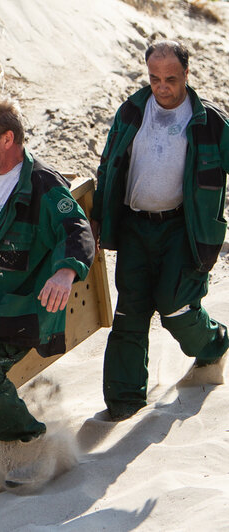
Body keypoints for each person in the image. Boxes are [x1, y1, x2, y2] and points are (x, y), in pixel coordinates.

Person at [0, 98, 95, 505]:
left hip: (13, 312)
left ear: (8, 138)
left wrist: (66, 270)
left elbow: (76, 228)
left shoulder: (43, 183)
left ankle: (32, 445)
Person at [92, 40, 229, 422]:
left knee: (175, 308)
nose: (162, 87)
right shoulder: (132, 111)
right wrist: (101, 213)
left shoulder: (210, 123)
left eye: (170, 78)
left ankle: (215, 342)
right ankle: (124, 402)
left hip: (181, 230)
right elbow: (109, 165)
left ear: (186, 74)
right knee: (129, 314)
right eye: (155, 78)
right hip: (135, 227)